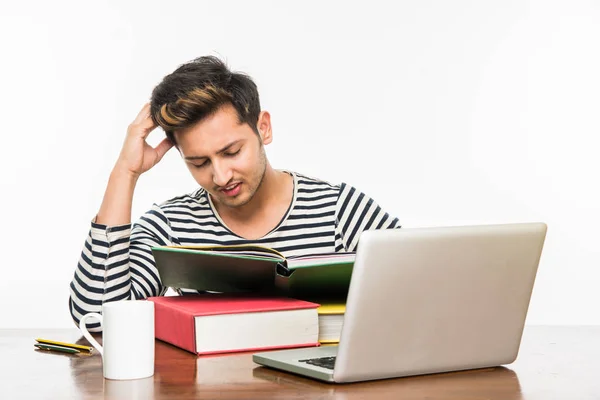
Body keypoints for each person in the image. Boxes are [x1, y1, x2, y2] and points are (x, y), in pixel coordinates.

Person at [69, 56, 401, 331]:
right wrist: (125, 173)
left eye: (231, 152)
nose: (220, 176)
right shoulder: (171, 226)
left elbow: (420, 293)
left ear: (263, 128)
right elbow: (96, 321)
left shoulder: (338, 210)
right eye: (199, 163)